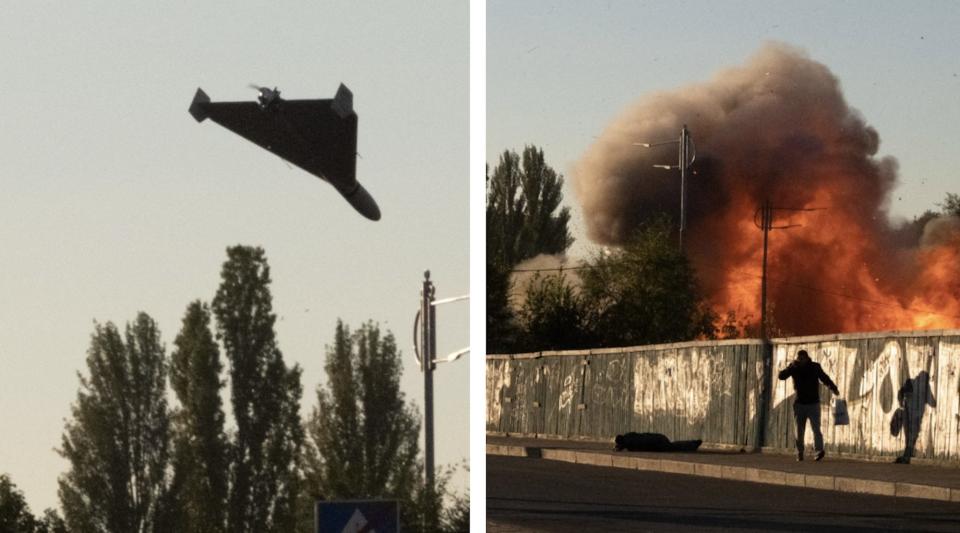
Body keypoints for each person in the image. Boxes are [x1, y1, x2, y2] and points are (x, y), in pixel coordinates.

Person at [777, 349, 839, 461]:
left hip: (813, 403)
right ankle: (800, 452)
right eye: (799, 359)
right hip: (799, 404)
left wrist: (833, 387)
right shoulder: (794, 368)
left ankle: (819, 451)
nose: (801, 361)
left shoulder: (814, 367)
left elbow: (824, 378)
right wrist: (791, 367)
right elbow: (781, 376)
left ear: (807, 358)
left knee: (816, 428)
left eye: (802, 358)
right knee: (799, 430)